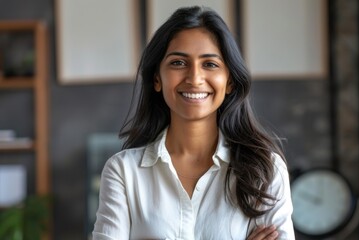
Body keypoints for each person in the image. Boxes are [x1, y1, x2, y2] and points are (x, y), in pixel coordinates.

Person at [92, 5, 294, 240]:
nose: (194, 78)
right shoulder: (123, 172)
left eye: (210, 64)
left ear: (229, 82)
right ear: (157, 79)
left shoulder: (266, 170)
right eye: (178, 63)